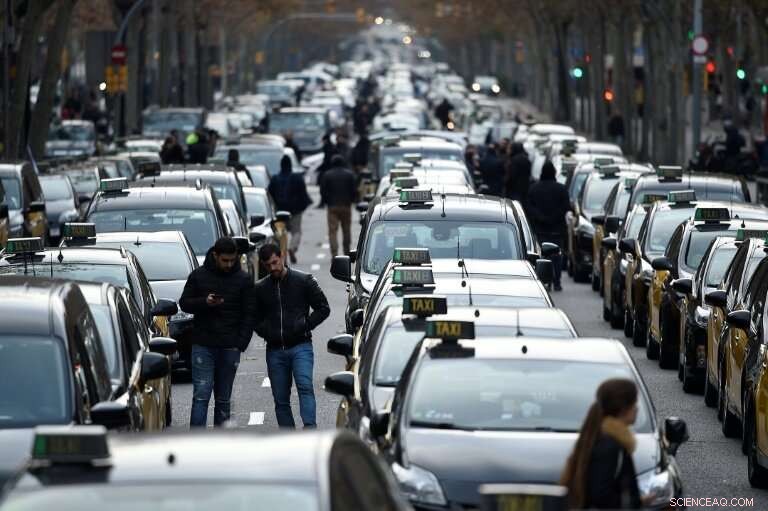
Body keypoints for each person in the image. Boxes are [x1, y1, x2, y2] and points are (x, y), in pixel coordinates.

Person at [179, 237, 254, 427]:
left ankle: (221, 444)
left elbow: (249, 313)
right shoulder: (198, 276)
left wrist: (240, 343)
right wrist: (205, 302)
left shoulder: (243, 279)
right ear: (215, 255)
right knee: (201, 396)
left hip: (230, 346)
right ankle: (197, 444)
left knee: (223, 400)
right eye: (224, 260)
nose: (229, 264)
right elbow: (185, 303)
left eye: (232, 260)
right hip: (204, 345)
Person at [253, 243, 330, 429]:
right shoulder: (260, 289)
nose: (273, 268)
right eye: (268, 265)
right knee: (280, 398)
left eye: (275, 262)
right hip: (275, 349)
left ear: (282, 257)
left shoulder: (303, 281)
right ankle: (288, 436)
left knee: (304, 386)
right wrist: (267, 331)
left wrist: (305, 325)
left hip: (300, 345)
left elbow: (323, 308)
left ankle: (310, 428)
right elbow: (253, 317)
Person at [560, 378, 642, 509]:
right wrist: (630, 503)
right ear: (623, 408)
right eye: (634, 403)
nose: (637, 409)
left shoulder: (599, 436)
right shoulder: (610, 445)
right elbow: (601, 495)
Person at [526, 161, 569, 291]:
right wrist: (553, 218)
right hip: (556, 229)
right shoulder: (561, 189)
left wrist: (540, 217)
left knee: (541, 255)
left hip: (540, 229)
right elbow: (565, 207)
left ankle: (542, 278)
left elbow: (529, 206)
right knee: (556, 255)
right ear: (554, 173)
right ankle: (557, 281)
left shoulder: (534, 188)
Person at [267, 155, 312, 263]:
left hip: (280, 212)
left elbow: (269, 195)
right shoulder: (297, 178)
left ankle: (283, 258)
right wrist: (303, 206)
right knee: (296, 232)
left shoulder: (275, 179)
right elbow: (303, 194)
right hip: (295, 211)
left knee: (281, 235)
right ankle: (292, 248)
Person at [320, 154, 356, 256]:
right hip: (346, 205)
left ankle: (334, 253)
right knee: (346, 230)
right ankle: (346, 251)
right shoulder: (349, 175)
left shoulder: (327, 175)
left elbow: (323, 191)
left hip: (332, 206)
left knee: (332, 231)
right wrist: (351, 200)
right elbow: (354, 190)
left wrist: (327, 201)